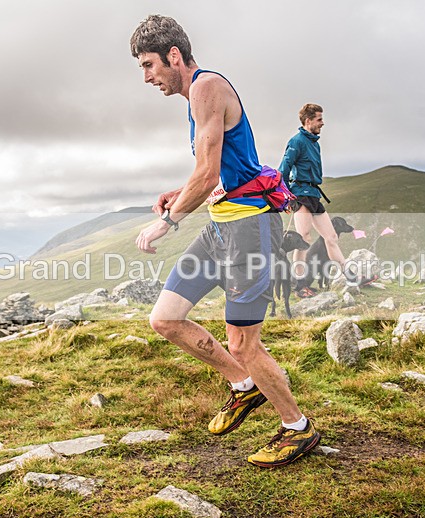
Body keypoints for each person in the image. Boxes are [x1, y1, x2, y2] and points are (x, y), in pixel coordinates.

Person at [130, 15, 320, 467]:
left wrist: (167, 222)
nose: (147, 77)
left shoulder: (207, 87)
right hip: (220, 228)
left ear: (173, 55)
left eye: (149, 65)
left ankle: (298, 428)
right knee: (165, 319)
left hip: (250, 230)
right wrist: (182, 191)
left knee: (243, 343)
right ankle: (244, 385)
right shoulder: (196, 98)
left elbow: (210, 172)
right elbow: (218, 173)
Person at [278, 104, 353, 297]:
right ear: (308, 120)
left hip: (313, 194)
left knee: (331, 237)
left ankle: (350, 275)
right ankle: (299, 285)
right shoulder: (296, 141)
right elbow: (283, 169)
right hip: (300, 194)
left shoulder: (314, 143)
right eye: (319, 119)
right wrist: (287, 197)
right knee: (304, 238)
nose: (322, 123)